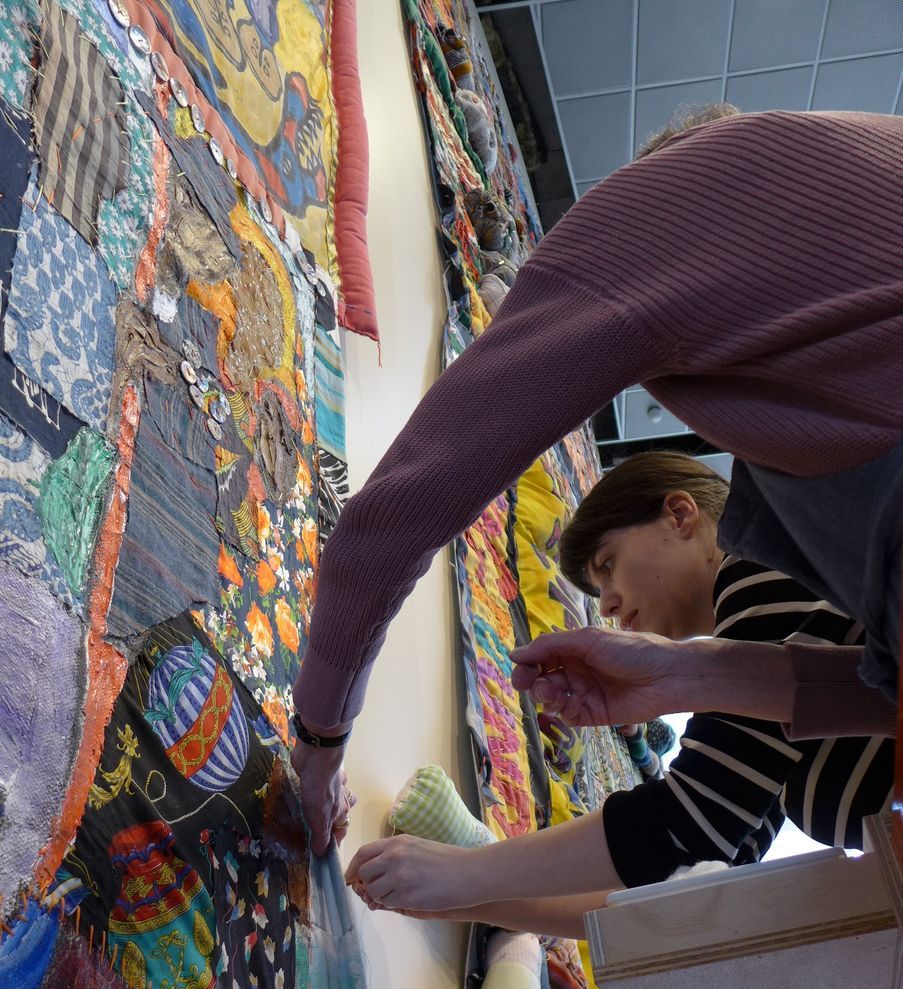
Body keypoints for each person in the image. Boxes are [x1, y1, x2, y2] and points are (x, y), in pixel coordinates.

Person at [291, 105, 903, 852]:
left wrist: (317, 740)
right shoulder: (856, 151)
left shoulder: (666, 203)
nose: (609, 602)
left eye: (607, 564)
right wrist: (691, 675)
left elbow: (394, 517)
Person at [343, 453, 894, 934]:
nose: (606, 604)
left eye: (608, 566)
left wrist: (463, 876)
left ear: (679, 516)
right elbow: (694, 889)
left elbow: (685, 829)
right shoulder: (753, 661)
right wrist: (475, 901)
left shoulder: (759, 566)